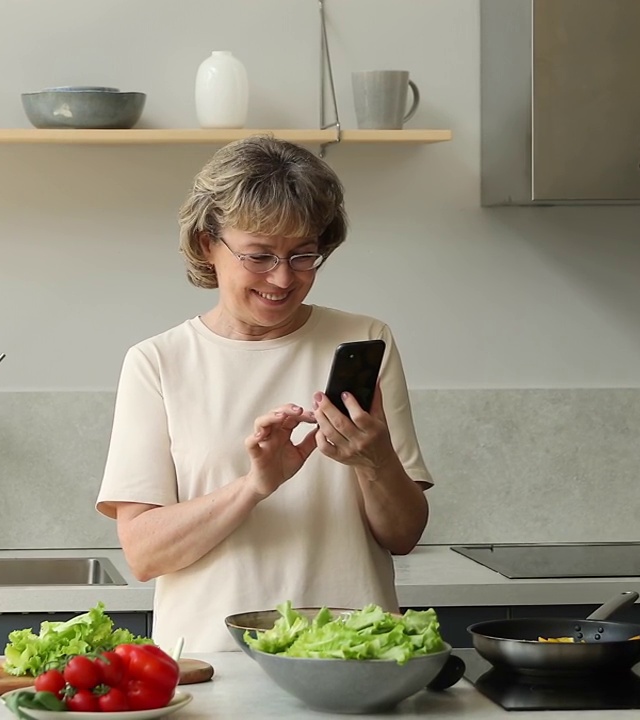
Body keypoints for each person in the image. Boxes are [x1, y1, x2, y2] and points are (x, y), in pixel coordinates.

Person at [95, 135, 434, 653]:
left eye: (303, 255)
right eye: (260, 255)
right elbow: (144, 553)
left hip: (352, 661)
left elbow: (403, 536)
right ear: (208, 243)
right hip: (211, 666)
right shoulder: (157, 363)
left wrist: (376, 461)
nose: (283, 278)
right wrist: (255, 485)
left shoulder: (366, 342)